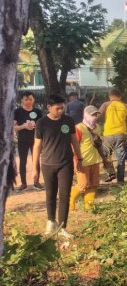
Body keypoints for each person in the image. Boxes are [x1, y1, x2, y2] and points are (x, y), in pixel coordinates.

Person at [32, 94, 83, 235]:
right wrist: (35, 169)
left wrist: (79, 158)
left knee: (65, 195)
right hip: (47, 164)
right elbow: (37, 146)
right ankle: (51, 221)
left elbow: (74, 141)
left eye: (62, 108)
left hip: (66, 163)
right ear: (49, 107)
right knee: (50, 194)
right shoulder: (41, 123)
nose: (61, 111)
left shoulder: (68, 121)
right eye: (57, 108)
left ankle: (62, 227)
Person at [70, 106, 105, 211]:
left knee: (93, 185)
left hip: (94, 160)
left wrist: (104, 158)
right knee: (83, 185)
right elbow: (73, 146)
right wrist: (76, 161)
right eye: (92, 115)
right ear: (85, 115)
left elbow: (99, 145)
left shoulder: (98, 127)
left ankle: (88, 205)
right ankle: (70, 200)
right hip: (82, 161)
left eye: (95, 114)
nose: (94, 117)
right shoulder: (78, 128)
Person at [98, 88, 127, 183]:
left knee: (106, 156)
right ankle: (120, 180)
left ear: (109, 96)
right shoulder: (125, 106)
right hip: (121, 134)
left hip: (108, 135)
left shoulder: (106, 105)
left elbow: (97, 117)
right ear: (120, 97)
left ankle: (111, 173)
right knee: (121, 158)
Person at [13, 91, 43, 191]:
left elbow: (42, 126)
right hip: (22, 140)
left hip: (36, 140)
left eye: (30, 99)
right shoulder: (17, 112)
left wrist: (36, 126)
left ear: (34, 100)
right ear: (21, 100)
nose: (28, 101)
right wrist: (24, 126)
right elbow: (14, 127)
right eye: (26, 99)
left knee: (36, 161)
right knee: (23, 161)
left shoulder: (38, 112)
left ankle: (36, 182)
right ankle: (23, 183)